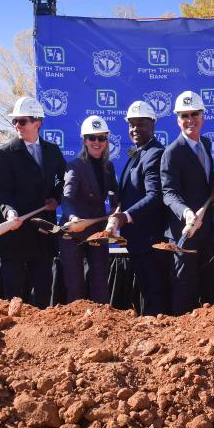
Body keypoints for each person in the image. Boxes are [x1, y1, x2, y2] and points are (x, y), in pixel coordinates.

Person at [0, 96, 66, 307]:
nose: (17, 125)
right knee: (13, 294)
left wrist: (56, 198)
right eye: (14, 121)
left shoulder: (52, 151)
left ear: (37, 122)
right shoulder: (6, 153)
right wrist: (9, 212)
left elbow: (63, 179)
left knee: (42, 291)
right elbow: (0, 191)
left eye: (22, 121)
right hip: (15, 233)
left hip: (42, 233)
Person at [161, 91, 214, 315]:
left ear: (202, 116)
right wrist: (186, 212)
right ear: (178, 119)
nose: (190, 120)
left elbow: (206, 177)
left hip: (206, 230)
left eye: (194, 114)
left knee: (207, 284)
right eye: (184, 115)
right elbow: (168, 193)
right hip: (183, 232)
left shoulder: (205, 143)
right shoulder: (172, 152)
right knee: (183, 287)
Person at [108, 101, 168, 315]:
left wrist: (127, 215)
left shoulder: (155, 154)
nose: (134, 129)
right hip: (136, 239)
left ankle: (161, 339)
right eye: (131, 124)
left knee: (156, 292)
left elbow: (155, 195)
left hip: (151, 238)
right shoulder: (136, 154)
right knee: (145, 290)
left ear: (152, 124)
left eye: (140, 124)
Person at [60, 115, 118, 304]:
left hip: (98, 231)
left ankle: (101, 327)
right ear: (84, 140)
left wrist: (115, 216)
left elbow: (115, 197)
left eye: (101, 138)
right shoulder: (75, 166)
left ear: (106, 141)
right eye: (92, 138)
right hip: (73, 233)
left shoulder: (108, 167)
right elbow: (66, 198)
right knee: (75, 287)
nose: (97, 142)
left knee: (101, 284)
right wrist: (73, 217)